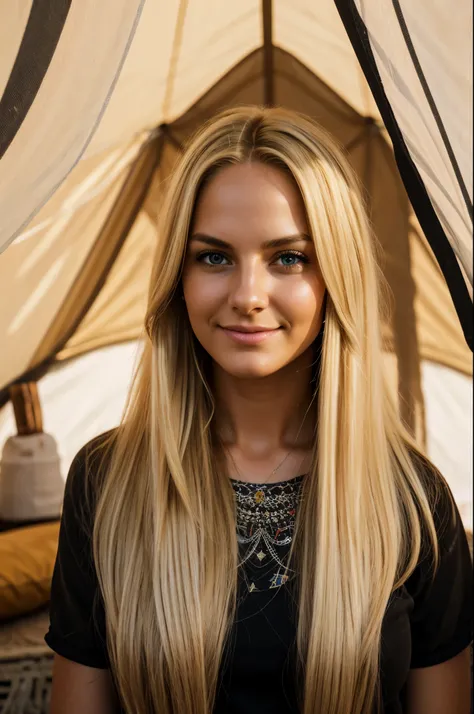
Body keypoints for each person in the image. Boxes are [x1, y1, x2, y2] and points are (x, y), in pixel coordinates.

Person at [45, 106, 473, 714]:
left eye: (289, 258)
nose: (247, 296)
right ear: (178, 277)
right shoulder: (106, 482)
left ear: (335, 280)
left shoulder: (413, 500)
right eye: (214, 257)